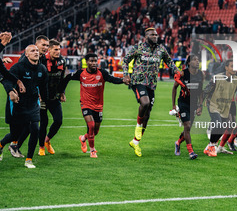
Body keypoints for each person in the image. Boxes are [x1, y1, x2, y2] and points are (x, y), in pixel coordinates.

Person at [122, 27, 178, 157]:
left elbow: (169, 61)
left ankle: (135, 142)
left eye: (156, 34)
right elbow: (125, 60)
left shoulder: (161, 49)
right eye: (152, 35)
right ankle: (137, 126)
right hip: (138, 81)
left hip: (152, 84)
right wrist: (126, 75)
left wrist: (175, 70)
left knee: (147, 115)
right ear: (146, 36)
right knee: (145, 103)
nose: (155, 36)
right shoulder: (138, 48)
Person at [59, 53, 128, 158]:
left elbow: (112, 79)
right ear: (86, 62)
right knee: (90, 126)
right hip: (85, 104)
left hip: (98, 106)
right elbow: (67, 78)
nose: (93, 63)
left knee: (95, 131)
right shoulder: (80, 73)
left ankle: (83, 138)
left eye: (95, 61)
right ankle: (93, 150)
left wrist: (122, 80)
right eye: (91, 61)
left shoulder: (102, 73)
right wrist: (61, 92)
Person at [0, 45, 48, 168]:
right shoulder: (18, 67)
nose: (36, 52)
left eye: (37, 50)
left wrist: (45, 99)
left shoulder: (42, 69)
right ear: (26, 54)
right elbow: (6, 80)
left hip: (33, 104)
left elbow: (43, 87)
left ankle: (29, 160)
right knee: (15, 134)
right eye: (32, 51)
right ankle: (1, 145)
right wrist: (10, 91)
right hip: (17, 103)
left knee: (35, 129)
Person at [203, 60, 237, 157]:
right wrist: (199, 106)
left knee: (225, 126)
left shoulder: (236, 79)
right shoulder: (217, 78)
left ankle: (211, 145)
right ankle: (211, 146)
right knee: (218, 123)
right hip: (213, 104)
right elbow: (206, 91)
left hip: (225, 106)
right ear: (226, 67)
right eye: (232, 66)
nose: (234, 68)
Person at [38, 39, 66, 156]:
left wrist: (62, 92)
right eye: (55, 49)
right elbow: (37, 77)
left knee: (58, 120)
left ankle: (47, 140)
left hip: (54, 97)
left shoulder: (62, 61)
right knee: (43, 123)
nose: (58, 51)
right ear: (49, 49)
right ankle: (41, 147)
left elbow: (62, 78)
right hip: (43, 97)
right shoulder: (42, 60)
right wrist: (38, 93)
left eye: (59, 49)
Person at [173, 55, 203, 159]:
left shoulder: (201, 74)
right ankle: (191, 151)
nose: (197, 62)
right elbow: (174, 88)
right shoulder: (183, 73)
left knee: (188, 128)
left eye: (198, 60)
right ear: (189, 63)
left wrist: (200, 106)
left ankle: (177, 143)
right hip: (183, 103)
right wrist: (173, 105)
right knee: (187, 125)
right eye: (195, 60)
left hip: (193, 104)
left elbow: (200, 92)